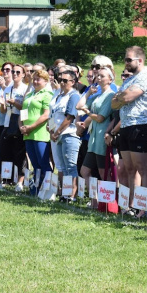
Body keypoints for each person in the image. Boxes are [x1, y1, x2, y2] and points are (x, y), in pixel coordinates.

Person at [111, 46, 147, 215]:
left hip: (140, 125)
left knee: (142, 168)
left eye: (129, 59)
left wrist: (121, 97)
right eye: (125, 59)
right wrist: (121, 97)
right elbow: (113, 103)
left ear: (140, 60)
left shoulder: (145, 76)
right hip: (126, 127)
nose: (126, 62)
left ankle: (145, 208)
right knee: (129, 169)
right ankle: (131, 206)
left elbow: (126, 97)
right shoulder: (129, 80)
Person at [77, 67, 116, 182]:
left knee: (104, 173)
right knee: (84, 172)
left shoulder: (110, 95)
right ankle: (96, 199)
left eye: (102, 76)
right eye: (98, 75)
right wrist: (88, 92)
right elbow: (79, 106)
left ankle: (109, 199)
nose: (98, 78)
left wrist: (88, 112)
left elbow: (100, 118)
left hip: (101, 138)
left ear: (110, 79)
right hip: (93, 139)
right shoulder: (97, 96)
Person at [0, 64, 29, 191]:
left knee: (19, 153)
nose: (15, 74)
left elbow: (25, 109)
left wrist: (15, 102)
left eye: (18, 72)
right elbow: (3, 111)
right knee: (3, 152)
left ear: (23, 74)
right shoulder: (8, 88)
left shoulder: (26, 89)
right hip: (7, 122)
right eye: (13, 72)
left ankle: (20, 182)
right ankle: (1, 181)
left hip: (19, 122)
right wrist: (2, 104)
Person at [49, 69, 81, 201]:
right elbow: (54, 115)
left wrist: (56, 132)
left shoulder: (74, 96)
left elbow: (69, 118)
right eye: (60, 80)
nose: (61, 82)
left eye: (65, 80)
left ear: (73, 82)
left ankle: (72, 195)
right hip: (57, 135)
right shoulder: (59, 95)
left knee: (70, 166)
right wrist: (51, 129)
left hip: (69, 135)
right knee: (62, 167)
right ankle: (65, 193)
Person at [20, 69, 54, 192]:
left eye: (38, 79)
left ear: (46, 81)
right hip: (28, 133)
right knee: (34, 163)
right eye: (34, 79)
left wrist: (31, 126)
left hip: (40, 133)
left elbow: (46, 115)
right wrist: (22, 126)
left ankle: (49, 189)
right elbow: (23, 112)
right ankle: (36, 188)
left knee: (43, 162)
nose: (35, 81)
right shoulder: (30, 94)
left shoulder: (47, 94)